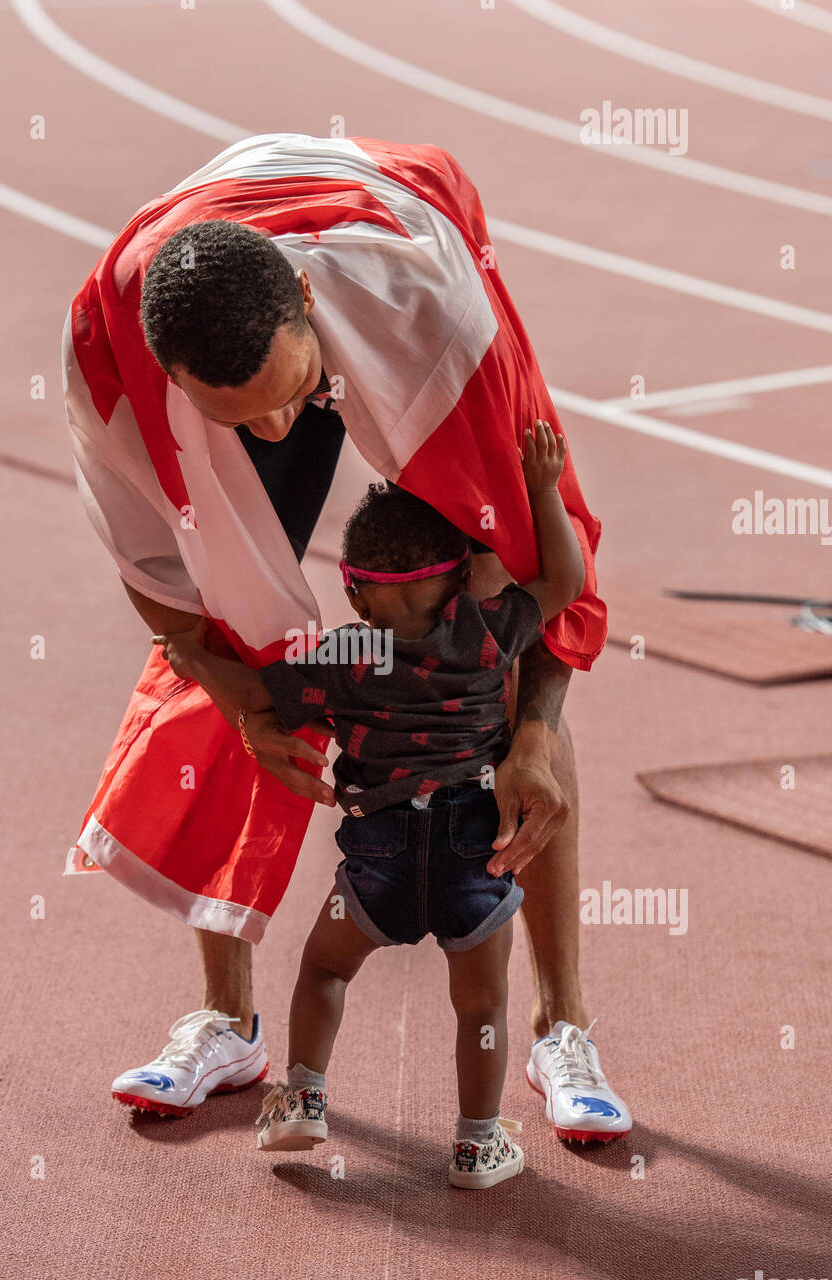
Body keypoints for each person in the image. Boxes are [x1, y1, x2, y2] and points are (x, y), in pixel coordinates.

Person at [63, 133, 631, 1143]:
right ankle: (225, 1024)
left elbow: (556, 577)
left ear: (309, 303)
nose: (281, 428)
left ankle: (563, 1026)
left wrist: (536, 724)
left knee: (488, 649)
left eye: (292, 394)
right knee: (233, 654)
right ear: (170, 381)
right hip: (249, 318)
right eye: (244, 417)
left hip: (398, 255)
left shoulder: (437, 323)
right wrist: (246, 703)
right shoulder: (110, 364)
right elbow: (163, 596)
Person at [160, 422, 627, 1185]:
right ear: (459, 579)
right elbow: (563, 585)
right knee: (480, 1009)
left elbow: (255, 697)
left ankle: (303, 1098)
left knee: (323, 973)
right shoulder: (487, 630)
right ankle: (477, 1143)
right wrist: (542, 489)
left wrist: (194, 658)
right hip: (474, 854)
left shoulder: (347, 654)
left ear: (351, 586)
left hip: (374, 859)